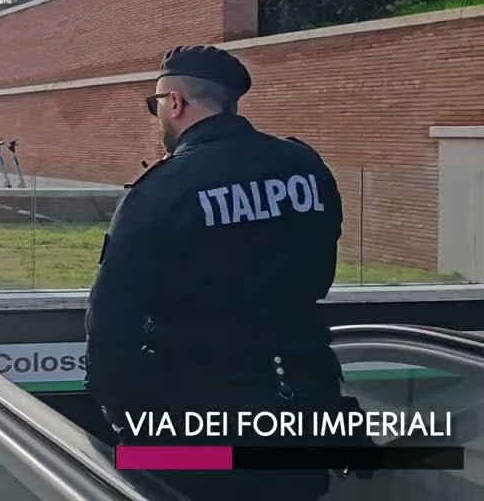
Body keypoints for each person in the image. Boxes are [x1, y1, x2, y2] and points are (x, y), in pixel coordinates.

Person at [84, 45, 367, 501]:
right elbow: (318, 275)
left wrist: (127, 424)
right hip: (304, 408)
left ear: (174, 103)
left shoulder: (162, 189)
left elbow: (110, 325)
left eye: (155, 104)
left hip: (195, 424)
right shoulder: (305, 167)